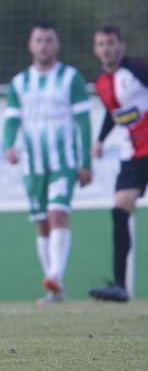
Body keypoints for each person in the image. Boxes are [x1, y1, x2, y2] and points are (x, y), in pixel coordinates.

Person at [2, 22, 92, 304]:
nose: (44, 45)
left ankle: (55, 274)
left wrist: (85, 161)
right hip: (33, 166)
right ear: (31, 45)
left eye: (49, 40)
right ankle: (56, 289)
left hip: (63, 162)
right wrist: (8, 145)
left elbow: (84, 122)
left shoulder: (71, 78)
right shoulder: (19, 82)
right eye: (39, 40)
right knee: (42, 224)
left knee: (58, 215)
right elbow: (12, 119)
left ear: (57, 45)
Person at [88, 24, 148, 303]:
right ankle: (120, 287)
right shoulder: (101, 82)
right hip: (132, 156)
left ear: (121, 46)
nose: (106, 48)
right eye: (101, 44)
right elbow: (115, 114)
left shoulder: (136, 70)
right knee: (119, 212)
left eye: (111, 43)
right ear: (95, 49)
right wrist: (100, 140)